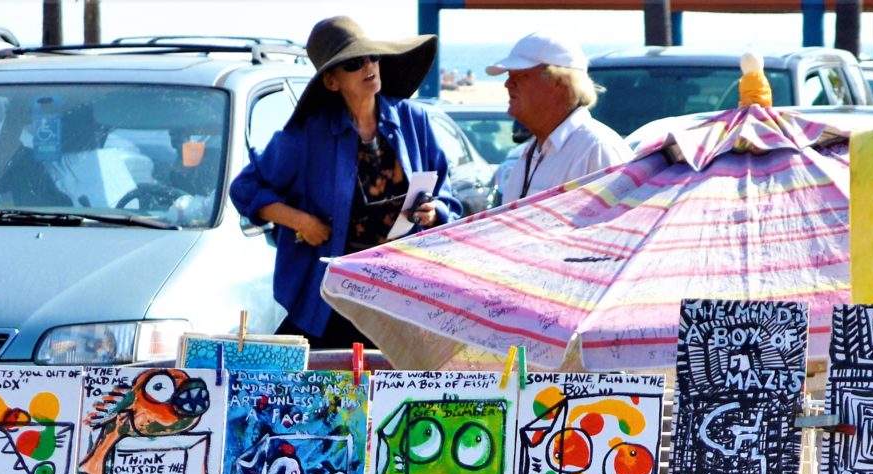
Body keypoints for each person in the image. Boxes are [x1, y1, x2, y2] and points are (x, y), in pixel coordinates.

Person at [229, 16, 460, 350]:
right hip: (335, 297)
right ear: (332, 82)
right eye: (354, 63)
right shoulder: (308, 135)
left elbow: (448, 200)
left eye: (372, 57)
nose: (369, 66)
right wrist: (300, 221)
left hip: (404, 294)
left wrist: (434, 211)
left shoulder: (415, 120)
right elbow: (245, 189)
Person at [486, 33, 631, 204]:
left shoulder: (597, 149)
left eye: (520, 75)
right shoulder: (531, 152)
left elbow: (623, 226)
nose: (508, 84)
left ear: (559, 82)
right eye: (509, 75)